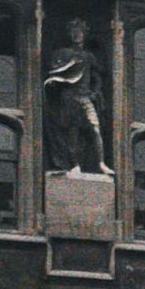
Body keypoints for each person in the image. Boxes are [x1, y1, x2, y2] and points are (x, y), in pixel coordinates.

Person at [42, 16, 112, 175]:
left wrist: (95, 92)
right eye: (73, 31)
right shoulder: (62, 53)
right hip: (69, 97)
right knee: (72, 133)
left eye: (79, 31)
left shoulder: (89, 56)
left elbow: (97, 77)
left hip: (85, 96)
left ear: (84, 33)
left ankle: (101, 163)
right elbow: (54, 71)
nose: (77, 34)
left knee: (95, 129)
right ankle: (75, 164)